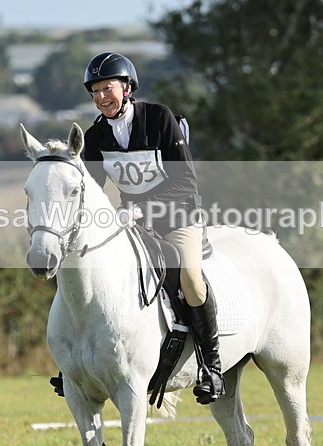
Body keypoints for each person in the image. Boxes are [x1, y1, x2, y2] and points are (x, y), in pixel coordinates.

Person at [78, 51, 224, 404]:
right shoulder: (95, 137)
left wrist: (141, 208)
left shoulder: (159, 119)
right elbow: (92, 190)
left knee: (189, 277)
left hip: (179, 218)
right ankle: (80, 362)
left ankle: (212, 366)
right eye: (95, 92)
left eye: (107, 89)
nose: (101, 98)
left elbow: (186, 181)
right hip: (135, 226)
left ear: (127, 87)